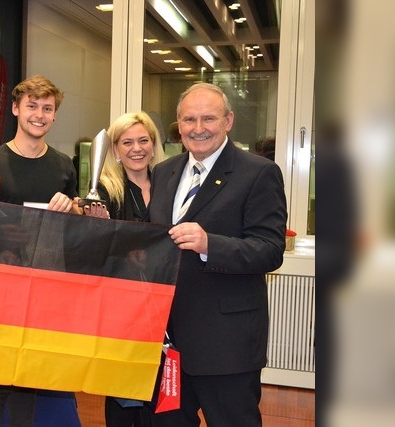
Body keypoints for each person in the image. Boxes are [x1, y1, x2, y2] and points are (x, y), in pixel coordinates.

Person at [147, 82, 287, 426]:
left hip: (226, 344)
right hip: (168, 343)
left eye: (208, 118)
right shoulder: (164, 172)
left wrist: (211, 244)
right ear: (177, 126)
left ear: (229, 121)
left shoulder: (258, 173)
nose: (197, 128)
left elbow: (270, 251)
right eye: (188, 120)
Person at [0, 75, 81, 427]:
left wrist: (73, 207)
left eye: (47, 108)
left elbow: (77, 224)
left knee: (46, 367)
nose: (39, 114)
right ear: (15, 109)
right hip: (2, 286)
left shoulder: (65, 165)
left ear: (54, 115)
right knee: (1, 374)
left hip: (51, 284)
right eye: (32, 106)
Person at [81, 112, 162, 426]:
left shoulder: (169, 186)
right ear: (115, 150)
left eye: (143, 140)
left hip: (165, 302)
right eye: (126, 142)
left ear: (153, 145)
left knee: (160, 392)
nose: (136, 148)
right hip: (123, 308)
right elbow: (92, 252)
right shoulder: (103, 191)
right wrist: (102, 230)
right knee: (122, 393)